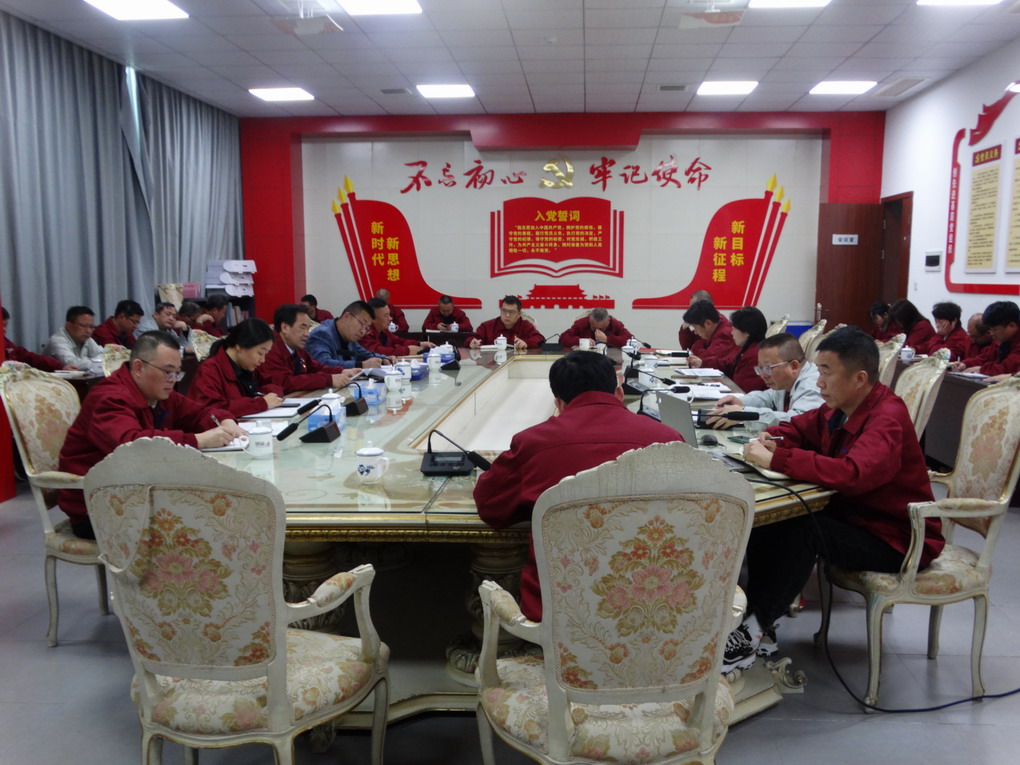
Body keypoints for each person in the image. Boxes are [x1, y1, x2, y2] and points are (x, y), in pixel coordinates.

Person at [724, 326, 943, 672]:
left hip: (896, 538)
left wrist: (779, 459)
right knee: (771, 522)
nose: (819, 382)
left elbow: (855, 474)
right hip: (857, 518)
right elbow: (800, 427)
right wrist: (772, 438)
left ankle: (754, 628)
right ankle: (760, 628)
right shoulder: (840, 407)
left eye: (826, 372)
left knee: (806, 531)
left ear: (859, 378)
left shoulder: (887, 417)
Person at [473, 351, 683, 622]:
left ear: (558, 403)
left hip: (561, 615)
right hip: (659, 609)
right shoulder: (668, 440)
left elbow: (489, 507)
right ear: (619, 392)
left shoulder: (533, 443)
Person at [57, 331, 242, 539]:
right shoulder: (109, 398)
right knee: (209, 526)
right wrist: (197, 440)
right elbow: (133, 446)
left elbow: (199, 412)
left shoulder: (157, 393)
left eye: (177, 373)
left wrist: (224, 420)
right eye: (167, 372)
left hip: (136, 492)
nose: (173, 380)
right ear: (138, 367)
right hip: (99, 507)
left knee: (220, 513)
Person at [706, 332, 823, 429]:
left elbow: (796, 421)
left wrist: (744, 414)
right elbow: (769, 397)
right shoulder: (786, 381)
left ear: (794, 366)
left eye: (768, 368)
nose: (762, 375)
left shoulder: (813, 385)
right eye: (760, 368)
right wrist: (741, 402)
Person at [187, 318, 285, 418]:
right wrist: (259, 403)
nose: (263, 360)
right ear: (240, 346)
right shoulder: (210, 370)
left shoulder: (248, 365)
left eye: (265, 354)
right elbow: (211, 411)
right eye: (260, 353)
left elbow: (271, 383)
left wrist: (269, 395)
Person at [262, 304, 361, 393]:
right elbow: (285, 383)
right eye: (302, 327)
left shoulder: (297, 347)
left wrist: (341, 371)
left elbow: (315, 367)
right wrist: (328, 380)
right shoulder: (269, 349)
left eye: (308, 329)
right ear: (285, 328)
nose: (307, 334)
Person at [306, 300, 392, 369]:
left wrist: (384, 358)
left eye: (366, 328)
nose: (363, 331)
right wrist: (361, 365)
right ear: (347, 316)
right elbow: (323, 364)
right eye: (361, 323)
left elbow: (365, 354)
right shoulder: (322, 334)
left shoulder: (350, 337)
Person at [952, 301, 1020, 376]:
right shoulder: (1001, 339)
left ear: (1011, 326)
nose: (992, 333)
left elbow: (1006, 368)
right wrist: (965, 364)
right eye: (990, 329)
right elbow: (986, 357)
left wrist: (981, 369)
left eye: (995, 329)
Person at [717, 306, 768, 392]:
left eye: (734, 329)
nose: (731, 333)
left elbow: (743, 389)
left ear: (747, 332)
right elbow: (728, 365)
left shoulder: (755, 355)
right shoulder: (746, 348)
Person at [361, 297, 434, 356]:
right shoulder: (363, 333)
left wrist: (420, 344)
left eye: (389, 314)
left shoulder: (384, 331)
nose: (390, 318)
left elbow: (399, 341)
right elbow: (378, 351)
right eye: (386, 315)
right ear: (372, 318)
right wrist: (407, 350)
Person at [468, 295, 544, 351]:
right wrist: (473, 342)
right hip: (493, 364)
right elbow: (471, 338)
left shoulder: (525, 326)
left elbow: (539, 338)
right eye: (504, 311)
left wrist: (526, 343)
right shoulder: (487, 326)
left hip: (517, 364)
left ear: (519, 314)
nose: (507, 315)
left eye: (511, 312)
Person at [2, 307, 66, 371]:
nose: (4, 329)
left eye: (5, 325)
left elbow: (29, 358)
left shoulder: (6, 343)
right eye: (0, 325)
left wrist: (60, 367)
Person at [683, 300, 738, 370]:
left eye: (695, 328)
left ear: (708, 323)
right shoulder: (715, 325)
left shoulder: (724, 335)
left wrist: (696, 348)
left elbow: (703, 360)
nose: (695, 332)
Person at [559, 307, 633, 349]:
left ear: (608, 321)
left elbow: (631, 339)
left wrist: (607, 339)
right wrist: (581, 341)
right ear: (589, 319)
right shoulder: (582, 323)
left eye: (602, 329)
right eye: (594, 328)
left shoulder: (614, 324)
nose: (597, 331)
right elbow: (563, 338)